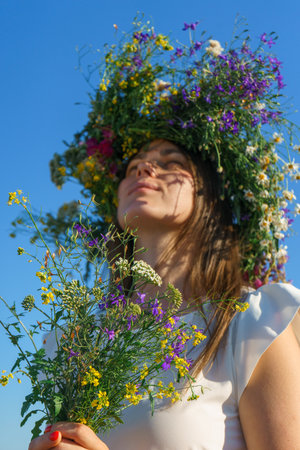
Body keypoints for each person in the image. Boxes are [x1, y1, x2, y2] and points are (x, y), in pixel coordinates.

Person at [29, 19, 300, 449]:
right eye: (134, 162)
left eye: (170, 160)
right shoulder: (74, 339)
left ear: (207, 198)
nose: (143, 167)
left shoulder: (249, 324)